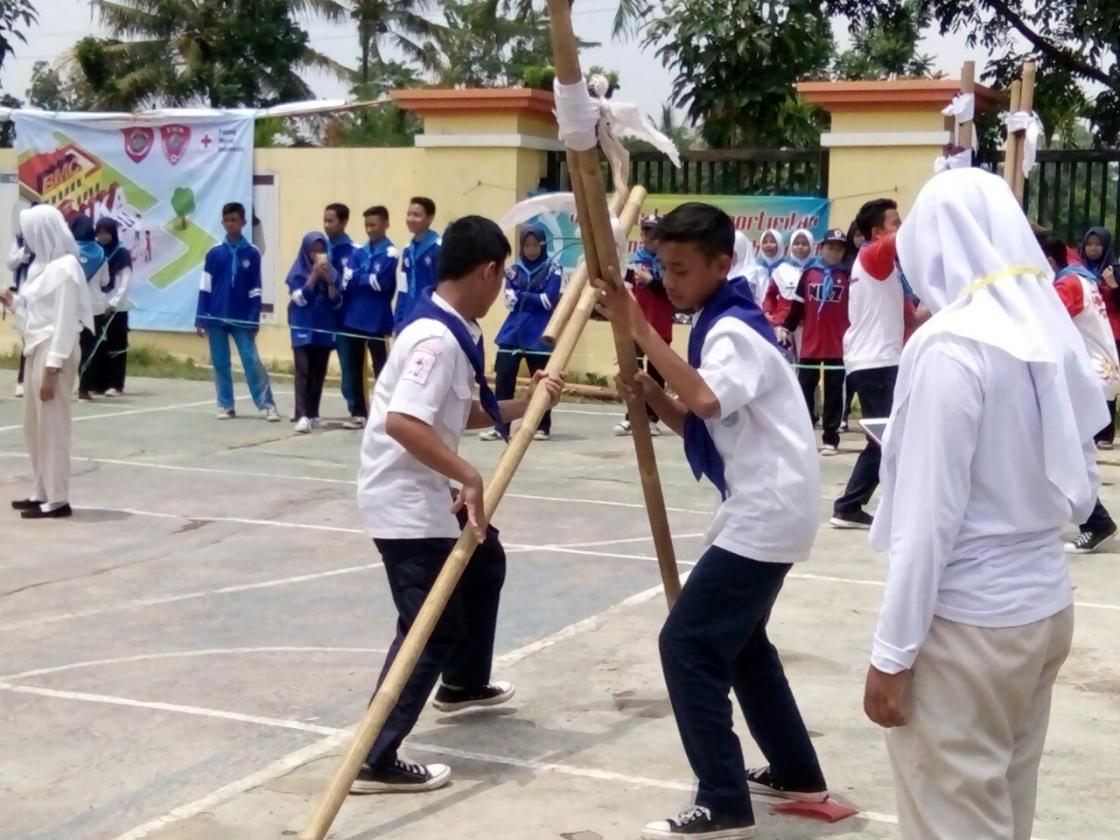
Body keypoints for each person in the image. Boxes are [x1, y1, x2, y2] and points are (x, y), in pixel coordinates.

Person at [863, 167, 1102, 840]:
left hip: (970, 625)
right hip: (1042, 607)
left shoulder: (950, 346)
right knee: (1003, 810)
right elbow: (1080, 471)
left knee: (954, 820)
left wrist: (892, 653)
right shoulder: (1044, 330)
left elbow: (927, 520)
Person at [598, 202, 827, 840]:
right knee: (745, 646)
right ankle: (796, 770)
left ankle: (722, 799)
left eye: (681, 269)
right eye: (662, 268)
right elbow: (700, 421)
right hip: (766, 506)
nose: (669, 281)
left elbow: (704, 397)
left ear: (721, 266)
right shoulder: (719, 326)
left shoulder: (732, 331)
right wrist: (651, 397)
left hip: (767, 510)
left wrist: (640, 330)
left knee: (688, 645)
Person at [351, 215, 563, 794]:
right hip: (405, 501)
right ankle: (374, 754)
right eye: (502, 277)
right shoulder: (435, 340)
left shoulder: (449, 329)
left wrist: (528, 402)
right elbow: (402, 421)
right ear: (490, 271)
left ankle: (464, 684)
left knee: (484, 561)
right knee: (430, 627)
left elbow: (458, 414)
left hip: (424, 491)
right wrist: (468, 475)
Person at [1, 205, 93, 519]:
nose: (27, 239)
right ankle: (41, 490)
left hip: (55, 352)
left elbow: (65, 322)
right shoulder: (43, 266)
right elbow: (37, 315)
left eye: (30, 232)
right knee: (33, 426)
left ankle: (58, 498)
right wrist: (14, 304)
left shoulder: (67, 267)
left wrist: (52, 369)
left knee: (53, 426)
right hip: (36, 348)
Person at [1039, 232, 1119, 553]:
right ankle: (1087, 518)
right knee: (1069, 453)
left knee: (1072, 455)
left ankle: (1095, 521)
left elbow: (1045, 325)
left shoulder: (1067, 285)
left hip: (1090, 376)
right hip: (1097, 374)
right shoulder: (1079, 278)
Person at [830, 199, 905, 529]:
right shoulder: (874, 254)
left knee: (887, 438)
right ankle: (849, 506)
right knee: (887, 439)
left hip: (879, 361)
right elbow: (908, 238)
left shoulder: (887, 274)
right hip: (876, 363)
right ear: (876, 233)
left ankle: (851, 506)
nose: (900, 229)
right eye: (895, 223)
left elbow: (914, 317)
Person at [196, 202, 281, 422]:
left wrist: (254, 320)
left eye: (235, 220)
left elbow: (256, 289)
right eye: (227, 220)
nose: (231, 224)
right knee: (220, 362)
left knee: (251, 361)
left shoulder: (252, 253)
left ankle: (267, 405)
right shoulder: (213, 253)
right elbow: (205, 287)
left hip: (242, 318)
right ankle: (225, 404)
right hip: (216, 317)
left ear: (243, 222)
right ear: (222, 223)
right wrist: (201, 317)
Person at [481, 222, 562, 442]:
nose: (531, 249)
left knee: (544, 380)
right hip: (513, 331)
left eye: (535, 245)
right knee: (504, 377)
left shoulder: (553, 269)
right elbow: (509, 301)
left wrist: (524, 297)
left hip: (539, 332)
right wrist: (529, 296)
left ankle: (542, 425)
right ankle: (501, 426)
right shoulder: (514, 270)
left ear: (543, 245)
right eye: (527, 245)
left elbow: (548, 300)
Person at [780, 228, 850, 454]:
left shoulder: (848, 276)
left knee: (833, 391)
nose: (834, 253)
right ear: (821, 248)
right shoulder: (810, 274)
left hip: (838, 342)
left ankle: (831, 437)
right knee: (805, 388)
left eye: (839, 249)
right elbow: (798, 307)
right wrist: (786, 327)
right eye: (831, 247)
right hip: (811, 342)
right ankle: (806, 432)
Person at [339, 205, 398, 429]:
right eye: (367, 225)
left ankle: (385, 412)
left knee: (382, 368)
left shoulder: (390, 253)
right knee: (354, 368)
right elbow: (347, 282)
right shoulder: (358, 252)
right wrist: (365, 278)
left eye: (374, 225)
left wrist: (359, 277)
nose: (370, 229)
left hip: (377, 319)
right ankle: (359, 413)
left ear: (385, 224)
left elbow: (381, 283)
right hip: (354, 317)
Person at [616, 216, 671, 438]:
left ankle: (652, 418)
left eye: (654, 233)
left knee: (655, 373)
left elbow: (670, 292)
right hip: (637, 324)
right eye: (646, 232)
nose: (649, 237)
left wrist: (652, 281)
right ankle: (632, 416)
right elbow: (627, 290)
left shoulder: (667, 262)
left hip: (660, 323)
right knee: (633, 371)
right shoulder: (634, 260)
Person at [286, 231, 343, 434]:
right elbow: (299, 298)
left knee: (319, 372)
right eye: (313, 251)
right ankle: (301, 415)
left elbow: (337, 302)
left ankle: (313, 413)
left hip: (325, 327)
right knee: (303, 371)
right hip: (302, 327)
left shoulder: (333, 273)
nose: (317, 255)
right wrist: (313, 276)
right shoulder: (297, 272)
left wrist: (328, 280)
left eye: (321, 251)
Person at [1079, 227, 1120, 449]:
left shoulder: (1114, 270)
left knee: (1108, 382)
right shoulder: (1079, 271)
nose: (1093, 249)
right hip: (1088, 334)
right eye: (1089, 244)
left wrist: (1113, 285)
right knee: (1089, 381)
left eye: (1098, 244)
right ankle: (1089, 429)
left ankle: (1105, 432)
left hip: (1113, 334)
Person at [323, 203, 358, 420]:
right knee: (314, 366)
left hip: (344, 318)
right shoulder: (319, 248)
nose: (327, 225)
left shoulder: (354, 251)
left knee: (348, 366)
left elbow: (350, 284)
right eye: (324, 221)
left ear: (344, 222)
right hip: (321, 317)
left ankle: (356, 408)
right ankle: (307, 411)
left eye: (331, 221)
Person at [94, 217, 133, 397]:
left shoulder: (122, 253)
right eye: (99, 232)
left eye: (105, 232)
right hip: (100, 304)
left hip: (117, 307)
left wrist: (113, 303)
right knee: (100, 344)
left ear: (113, 232)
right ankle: (99, 383)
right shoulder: (97, 252)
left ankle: (116, 384)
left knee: (116, 345)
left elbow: (124, 282)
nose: (102, 236)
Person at [70, 215, 107, 401]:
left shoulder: (69, 251)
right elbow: (105, 281)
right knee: (89, 348)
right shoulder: (100, 252)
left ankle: (67, 385)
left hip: (72, 306)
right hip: (94, 308)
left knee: (68, 347)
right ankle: (85, 389)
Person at [393, 196, 441, 330]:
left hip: (430, 316)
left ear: (430, 218)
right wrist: (398, 319)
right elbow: (403, 286)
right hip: (409, 315)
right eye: (408, 214)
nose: (411, 219)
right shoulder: (408, 249)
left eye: (416, 215)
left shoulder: (439, 248)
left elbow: (442, 286)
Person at [7, 227, 34, 397]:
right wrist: (25, 251)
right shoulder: (20, 239)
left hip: (45, 297)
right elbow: (11, 264)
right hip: (24, 296)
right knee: (28, 339)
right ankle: (22, 381)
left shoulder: (52, 240)